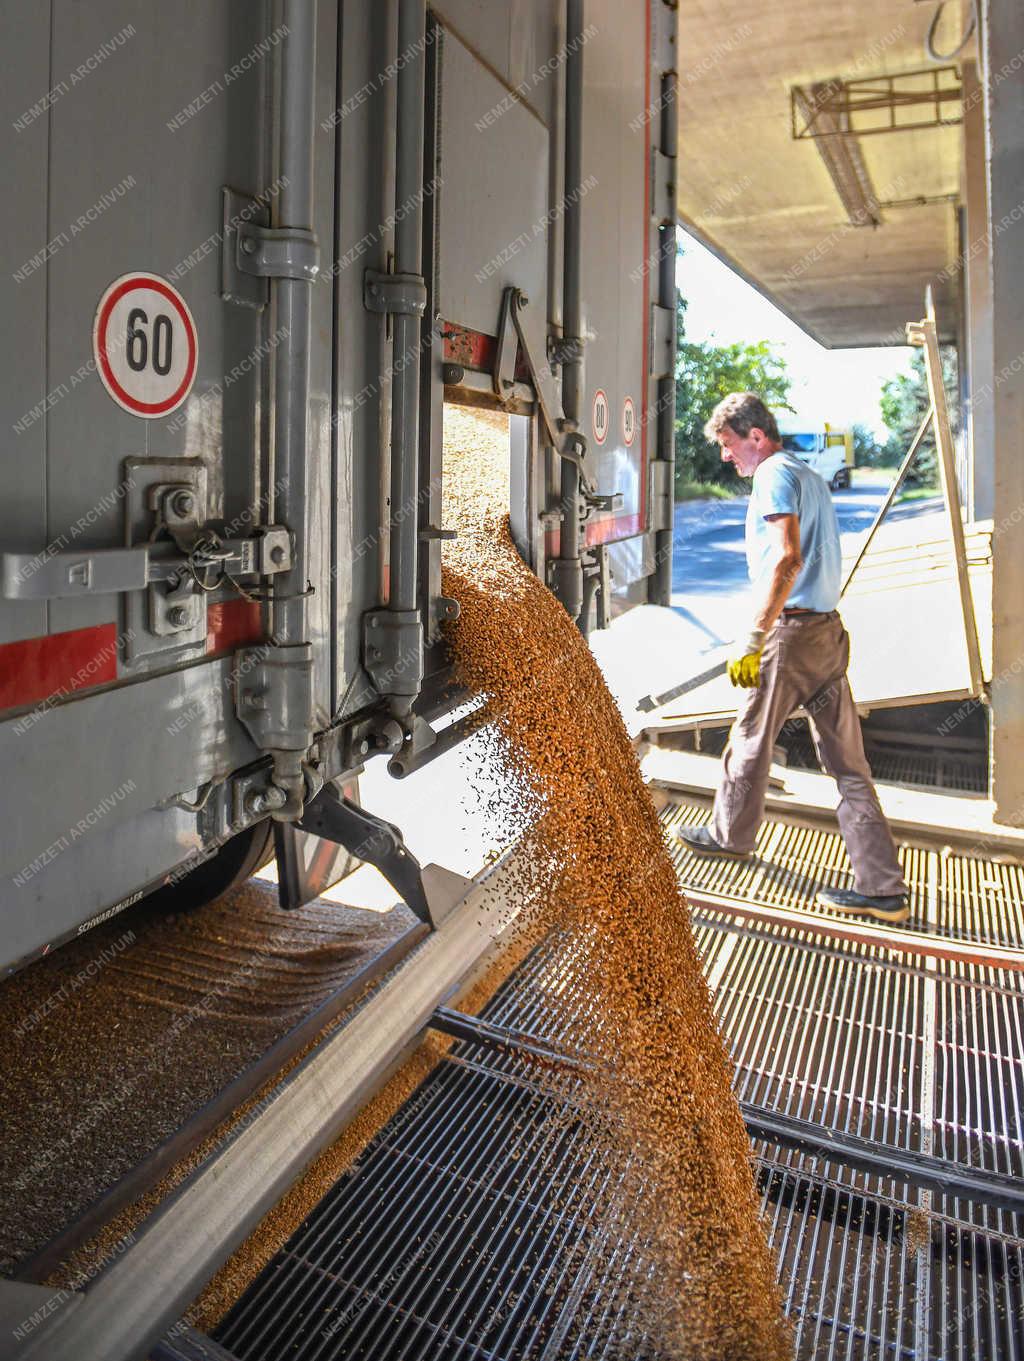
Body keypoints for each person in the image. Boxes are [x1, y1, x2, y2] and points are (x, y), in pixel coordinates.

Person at [674, 392, 909, 923]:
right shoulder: (809, 476)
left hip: (791, 634)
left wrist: (755, 636)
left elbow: (787, 558)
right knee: (849, 765)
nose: (725, 457)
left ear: (756, 436)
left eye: (729, 444)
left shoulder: (773, 474)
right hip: (827, 633)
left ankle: (730, 837)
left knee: (751, 739)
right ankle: (882, 887)